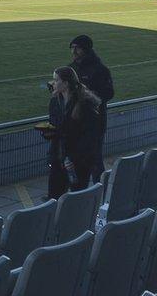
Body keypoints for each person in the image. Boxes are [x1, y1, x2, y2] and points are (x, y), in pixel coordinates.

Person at [47, 66, 104, 198]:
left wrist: (73, 158)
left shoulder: (85, 104)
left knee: (77, 198)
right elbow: (55, 127)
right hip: (59, 158)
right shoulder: (55, 102)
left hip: (78, 162)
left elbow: (89, 137)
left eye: (56, 80)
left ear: (66, 83)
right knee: (53, 197)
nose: (53, 83)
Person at [68, 35, 113, 181]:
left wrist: (86, 95)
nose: (74, 51)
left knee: (95, 161)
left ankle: (99, 193)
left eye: (77, 48)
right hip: (75, 122)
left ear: (86, 49)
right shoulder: (72, 68)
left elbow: (108, 93)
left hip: (94, 123)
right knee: (77, 161)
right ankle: (81, 195)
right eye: (72, 48)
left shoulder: (100, 70)